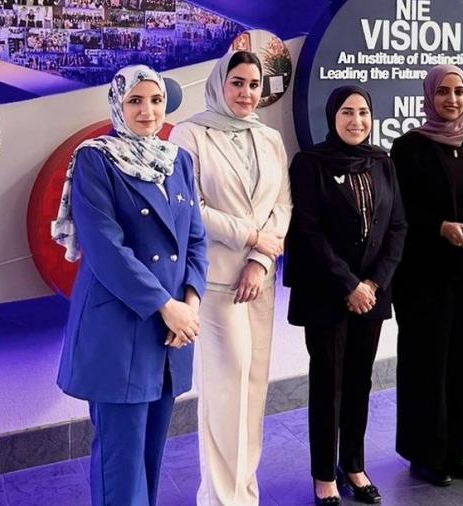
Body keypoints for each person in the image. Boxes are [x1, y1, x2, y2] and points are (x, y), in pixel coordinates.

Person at [51, 65, 208, 506]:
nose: (147, 111)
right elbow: (105, 249)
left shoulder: (177, 160)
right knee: (120, 465)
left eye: (155, 100)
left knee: (151, 456)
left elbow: (196, 238)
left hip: (172, 330)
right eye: (135, 101)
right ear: (118, 104)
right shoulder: (95, 159)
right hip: (120, 328)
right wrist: (168, 307)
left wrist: (191, 303)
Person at [169, 50, 291, 506]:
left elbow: (283, 205)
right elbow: (191, 208)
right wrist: (251, 235)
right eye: (237, 82)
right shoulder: (190, 134)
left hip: (258, 281)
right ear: (220, 83)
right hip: (217, 284)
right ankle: (220, 499)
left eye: (254, 85)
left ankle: (244, 494)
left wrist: (260, 259)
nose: (246, 93)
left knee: (254, 391)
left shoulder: (269, 137)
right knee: (224, 397)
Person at [285, 85, 406, 505]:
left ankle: (353, 465)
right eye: (347, 113)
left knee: (359, 381)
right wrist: (349, 284)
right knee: (328, 383)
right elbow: (308, 230)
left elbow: (397, 226)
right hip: (327, 294)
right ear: (332, 117)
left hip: (372, 295)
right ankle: (324, 475)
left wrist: (373, 283)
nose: (356, 121)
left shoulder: (382, 161)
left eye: (363, 112)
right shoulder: (310, 163)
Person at [391, 64, 463, 486]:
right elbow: (398, 212)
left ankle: (458, 451)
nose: (452, 99)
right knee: (426, 366)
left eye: (459, 91)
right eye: (443, 92)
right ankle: (425, 454)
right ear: (429, 96)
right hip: (424, 278)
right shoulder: (408, 148)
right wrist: (439, 227)